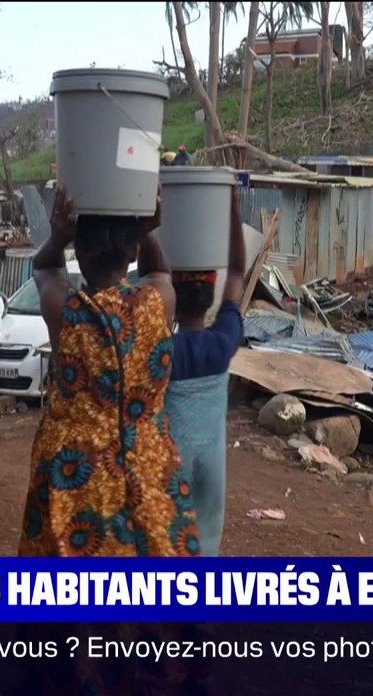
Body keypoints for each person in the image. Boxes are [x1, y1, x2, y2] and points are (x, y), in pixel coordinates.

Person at [18, 185, 198, 558]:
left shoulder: (65, 309)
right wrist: (146, 231)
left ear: (79, 254)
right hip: (147, 469)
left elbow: (45, 267)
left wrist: (58, 237)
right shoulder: (158, 304)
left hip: (74, 476)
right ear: (132, 252)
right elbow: (160, 271)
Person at [164, 191, 246, 557]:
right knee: (207, 533)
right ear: (210, 297)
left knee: (167, 537)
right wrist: (232, 211)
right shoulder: (221, 344)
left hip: (171, 462)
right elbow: (239, 273)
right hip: (212, 465)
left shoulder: (163, 353)